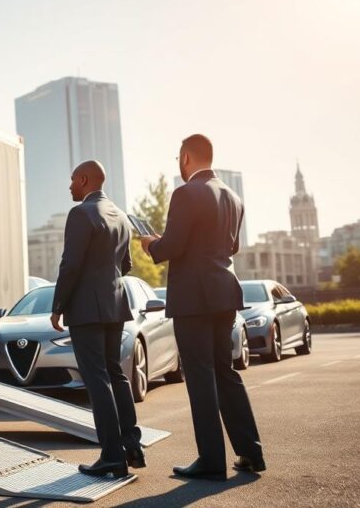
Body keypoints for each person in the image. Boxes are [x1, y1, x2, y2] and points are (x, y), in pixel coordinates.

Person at [141, 134, 265, 481]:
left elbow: (172, 247)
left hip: (194, 298)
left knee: (200, 376)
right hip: (224, 293)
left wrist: (151, 244)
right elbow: (234, 246)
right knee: (225, 372)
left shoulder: (185, 193)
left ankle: (211, 461)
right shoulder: (233, 196)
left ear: (185, 158)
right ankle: (251, 452)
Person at [51, 161, 143, 478]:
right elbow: (126, 264)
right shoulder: (120, 215)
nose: (70, 186)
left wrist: (58, 304)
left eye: (73, 180)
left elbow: (70, 264)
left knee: (97, 379)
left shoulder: (81, 214)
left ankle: (111, 456)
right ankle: (132, 444)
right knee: (115, 374)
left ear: (85, 179)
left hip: (86, 311)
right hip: (114, 305)